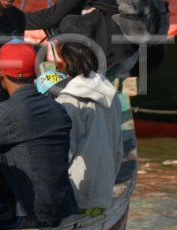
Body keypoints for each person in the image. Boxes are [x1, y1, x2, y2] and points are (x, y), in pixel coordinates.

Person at [0, 41, 76, 226]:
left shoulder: (2, 114)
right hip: (62, 208)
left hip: (28, 215)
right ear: (35, 73)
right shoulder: (58, 109)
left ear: (0, 73)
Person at [48, 18, 124, 210]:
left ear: (63, 56)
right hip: (102, 195)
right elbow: (118, 149)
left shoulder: (69, 100)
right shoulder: (110, 93)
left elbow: (63, 154)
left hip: (77, 197)